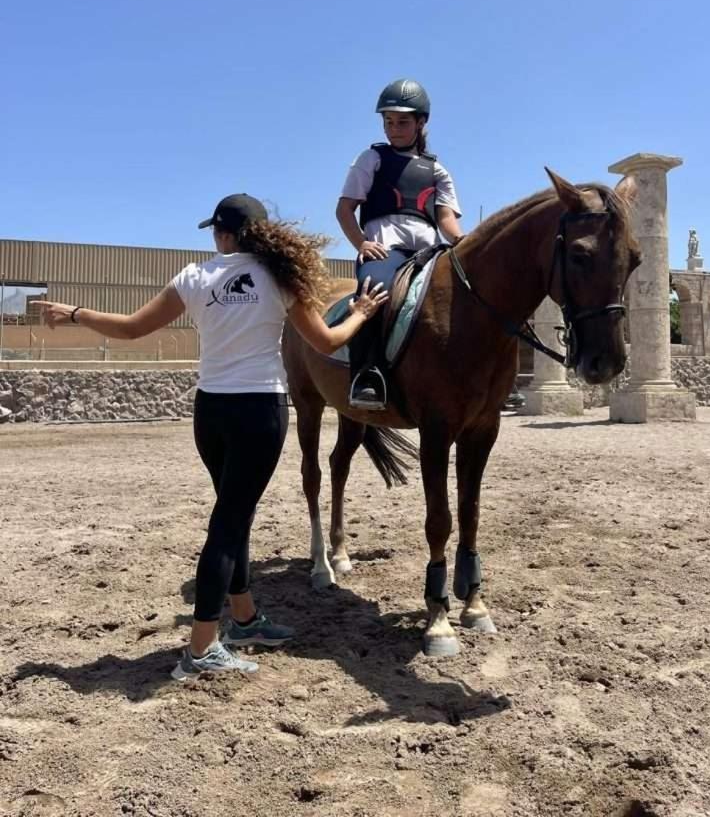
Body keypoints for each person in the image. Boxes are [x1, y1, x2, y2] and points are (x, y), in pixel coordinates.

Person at [35, 193, 388, 682]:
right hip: (258, 411)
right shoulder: (282, 280)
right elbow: (327, 342)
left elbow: (133, 328)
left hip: (210, 411)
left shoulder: (194, 276)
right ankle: (201, 647)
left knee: (232, 514)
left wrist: (76, 313)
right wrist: (362, 313)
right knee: (228, 525)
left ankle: (243, 620)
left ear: (223, 233)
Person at [336, 78, 464, 410]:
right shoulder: (371, 158)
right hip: (383, 248)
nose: (394, 129)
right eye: (388, 122)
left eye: (402, 122)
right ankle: (367, 372)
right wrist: (361, 243)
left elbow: (446, 219)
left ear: (422, 122)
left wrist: (463, 239)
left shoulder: (437, 170)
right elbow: (345, 208)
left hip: (429, 249)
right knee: (376, 290)